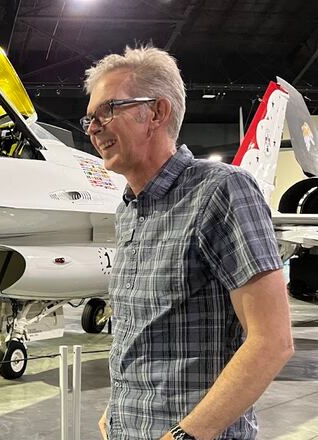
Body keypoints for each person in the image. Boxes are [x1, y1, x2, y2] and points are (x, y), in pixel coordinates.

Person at [82, 46, 293, 439]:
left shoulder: (222, 190)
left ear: (157, 113)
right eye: (90, 118)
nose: (93, 128)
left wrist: (186, 435)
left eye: (108, 110)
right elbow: (142, 331)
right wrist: (118, 410)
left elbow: (273, 341)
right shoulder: (128, 208)